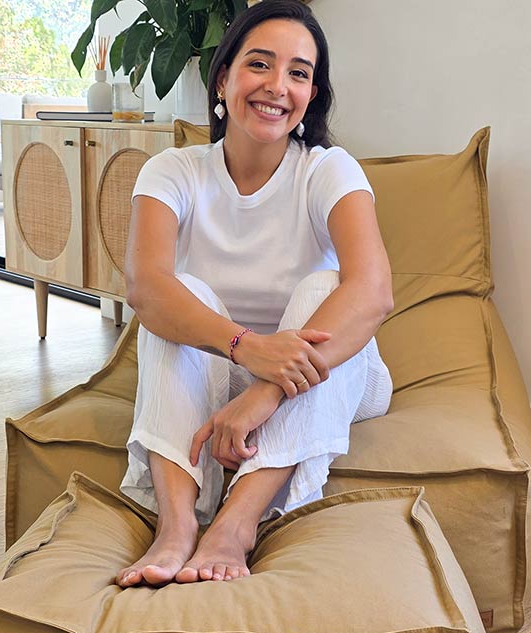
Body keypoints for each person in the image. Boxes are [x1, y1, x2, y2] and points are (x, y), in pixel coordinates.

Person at [116, 0, 394, 589]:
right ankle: (176, 526)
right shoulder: (173, 170)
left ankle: (236, 524)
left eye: (298, 73)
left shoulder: (328, 169)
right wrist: (247, 349)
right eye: (260, 64)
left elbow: (372, 293)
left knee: (326, 285)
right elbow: (145, 287)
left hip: (340, 368)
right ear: (223, 77)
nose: (277, 86)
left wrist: (267, 389)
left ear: (312, 95)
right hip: (226, 364)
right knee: (177, 298)